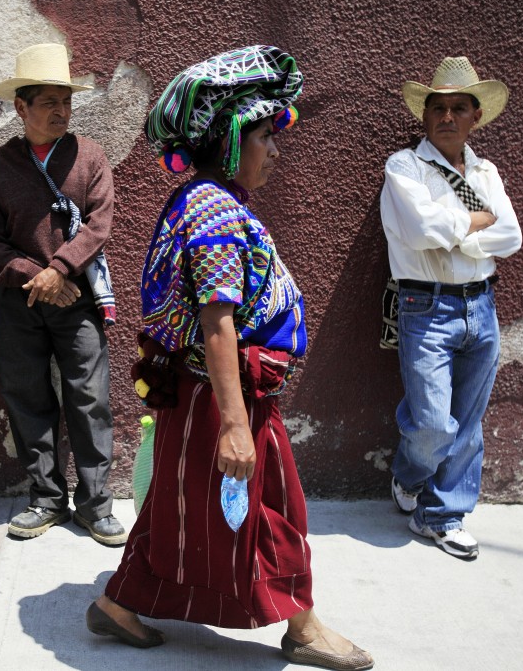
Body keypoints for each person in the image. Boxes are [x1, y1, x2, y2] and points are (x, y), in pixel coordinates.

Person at [88, 46, 374, 671]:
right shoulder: (214, 210)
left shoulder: (208, 200)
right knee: (274, 505)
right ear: (231, 140)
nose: (277, 150)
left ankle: (119, 604)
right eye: (267, 136)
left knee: (178, 502)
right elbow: (218, 322)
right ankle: (303, 626)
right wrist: (237, 424)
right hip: (221, 396)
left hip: (205, 395)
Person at [0, 43, 125, 546]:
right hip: (22, 301)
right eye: (49, 103)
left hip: (76, 298)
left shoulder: (90, 157)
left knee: (89, 398)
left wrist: (59, 270)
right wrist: (33, 276)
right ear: (21, 108)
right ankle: (46, 498)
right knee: (27, 397)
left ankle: (96, 503)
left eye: (67, 102)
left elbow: (100, 223)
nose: (61, 112)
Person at [381, 57, 522, 560]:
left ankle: (441, 516)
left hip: (481, 305)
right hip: (426, 305)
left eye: (457, 107)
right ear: (425, 116)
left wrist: (455, 234)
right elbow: (420, 233)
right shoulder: (404, 166)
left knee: (468, 420)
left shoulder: (485, 171)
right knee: (435, 423)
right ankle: (408, 473)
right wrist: (477, 223)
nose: (446, 116)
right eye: (436, 107)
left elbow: (511, 236)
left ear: (475, 117)